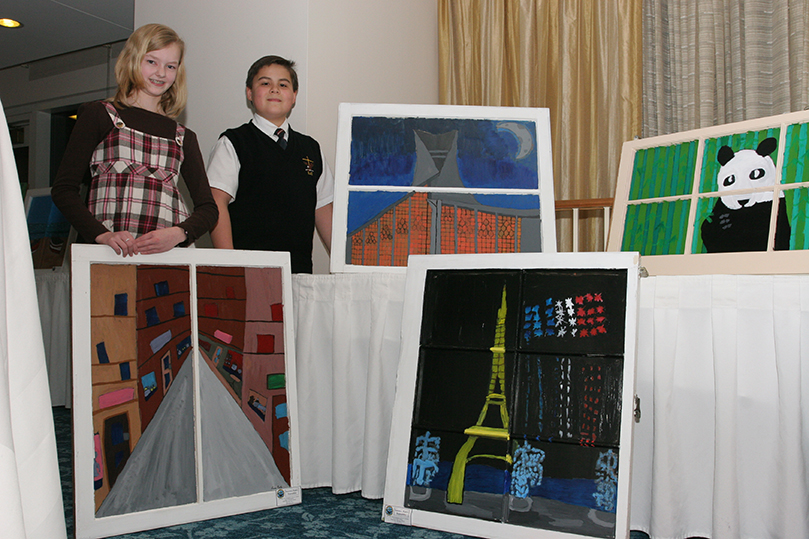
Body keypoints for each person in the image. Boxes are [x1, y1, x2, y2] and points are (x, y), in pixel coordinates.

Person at [52, 23, 218, 257]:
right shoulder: (99, 115)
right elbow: (63, 190)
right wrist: (102, 235)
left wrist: (179, 233)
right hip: (107, 254)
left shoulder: (184, 137)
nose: (161, 73)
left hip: (169, 258)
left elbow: (209, 209)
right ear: (133, 60)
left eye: (170, 66)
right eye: (152, 61)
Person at [206, 55, 334, 273]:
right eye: (265, 83)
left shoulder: (311, 149)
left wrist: (348, 266)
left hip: (299, 274)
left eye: (283, 85)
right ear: (249, 93)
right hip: (249, 275)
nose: (274, 89)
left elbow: (323, 210)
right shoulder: (233, 143)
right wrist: (230, 269)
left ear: (294, 96)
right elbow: (216, 204)